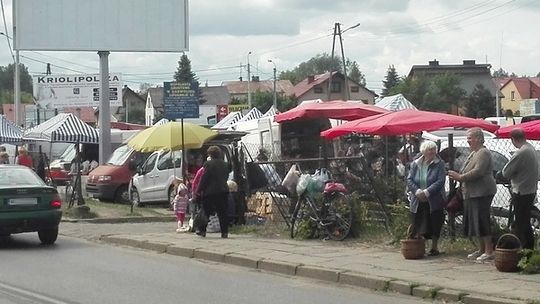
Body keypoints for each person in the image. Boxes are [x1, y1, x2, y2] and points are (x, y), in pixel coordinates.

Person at [448, 127, 497, 262]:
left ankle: (489, 250)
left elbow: (478, 171)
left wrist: (460, 177)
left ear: (478, 138)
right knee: (475, 221)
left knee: (482, 220)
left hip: (482, 192)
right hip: (472, 192)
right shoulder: (473, 153)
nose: (468, 141)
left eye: (470, 138)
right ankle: (481, 249)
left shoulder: (483, 153)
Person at [499, 128, 538, 250]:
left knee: (522, 222)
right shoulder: (530, 148)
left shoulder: (521, 153)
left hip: (521, 190)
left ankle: (526, 249)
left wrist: (499, 175)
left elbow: (506, 172)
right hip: (530, 189)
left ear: (513, 140)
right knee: (524, 220)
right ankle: (527, 248)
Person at [406, 140, 447, 256]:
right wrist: (417, 191)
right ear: (424, 151)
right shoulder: (416, 164)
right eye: (430, 149)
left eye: (434, 149)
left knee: (434, 222)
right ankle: (419, 247)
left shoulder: (439, 164)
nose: (433, 152)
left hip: (434, 198)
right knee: (418, 221)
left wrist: (427, 192)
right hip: (418, 198)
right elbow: (409, 179)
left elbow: (440, 181)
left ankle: (434, 248)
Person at [194, 146, 230, 238]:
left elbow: (204, 179)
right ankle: (224, 232)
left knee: (206, 211)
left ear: (210, 154)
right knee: (222, 212)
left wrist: (198, 191)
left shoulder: (208, 164)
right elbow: (226, 176)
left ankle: (202, 230)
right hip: (223, 190)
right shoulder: (225, 164)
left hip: (210, 192)